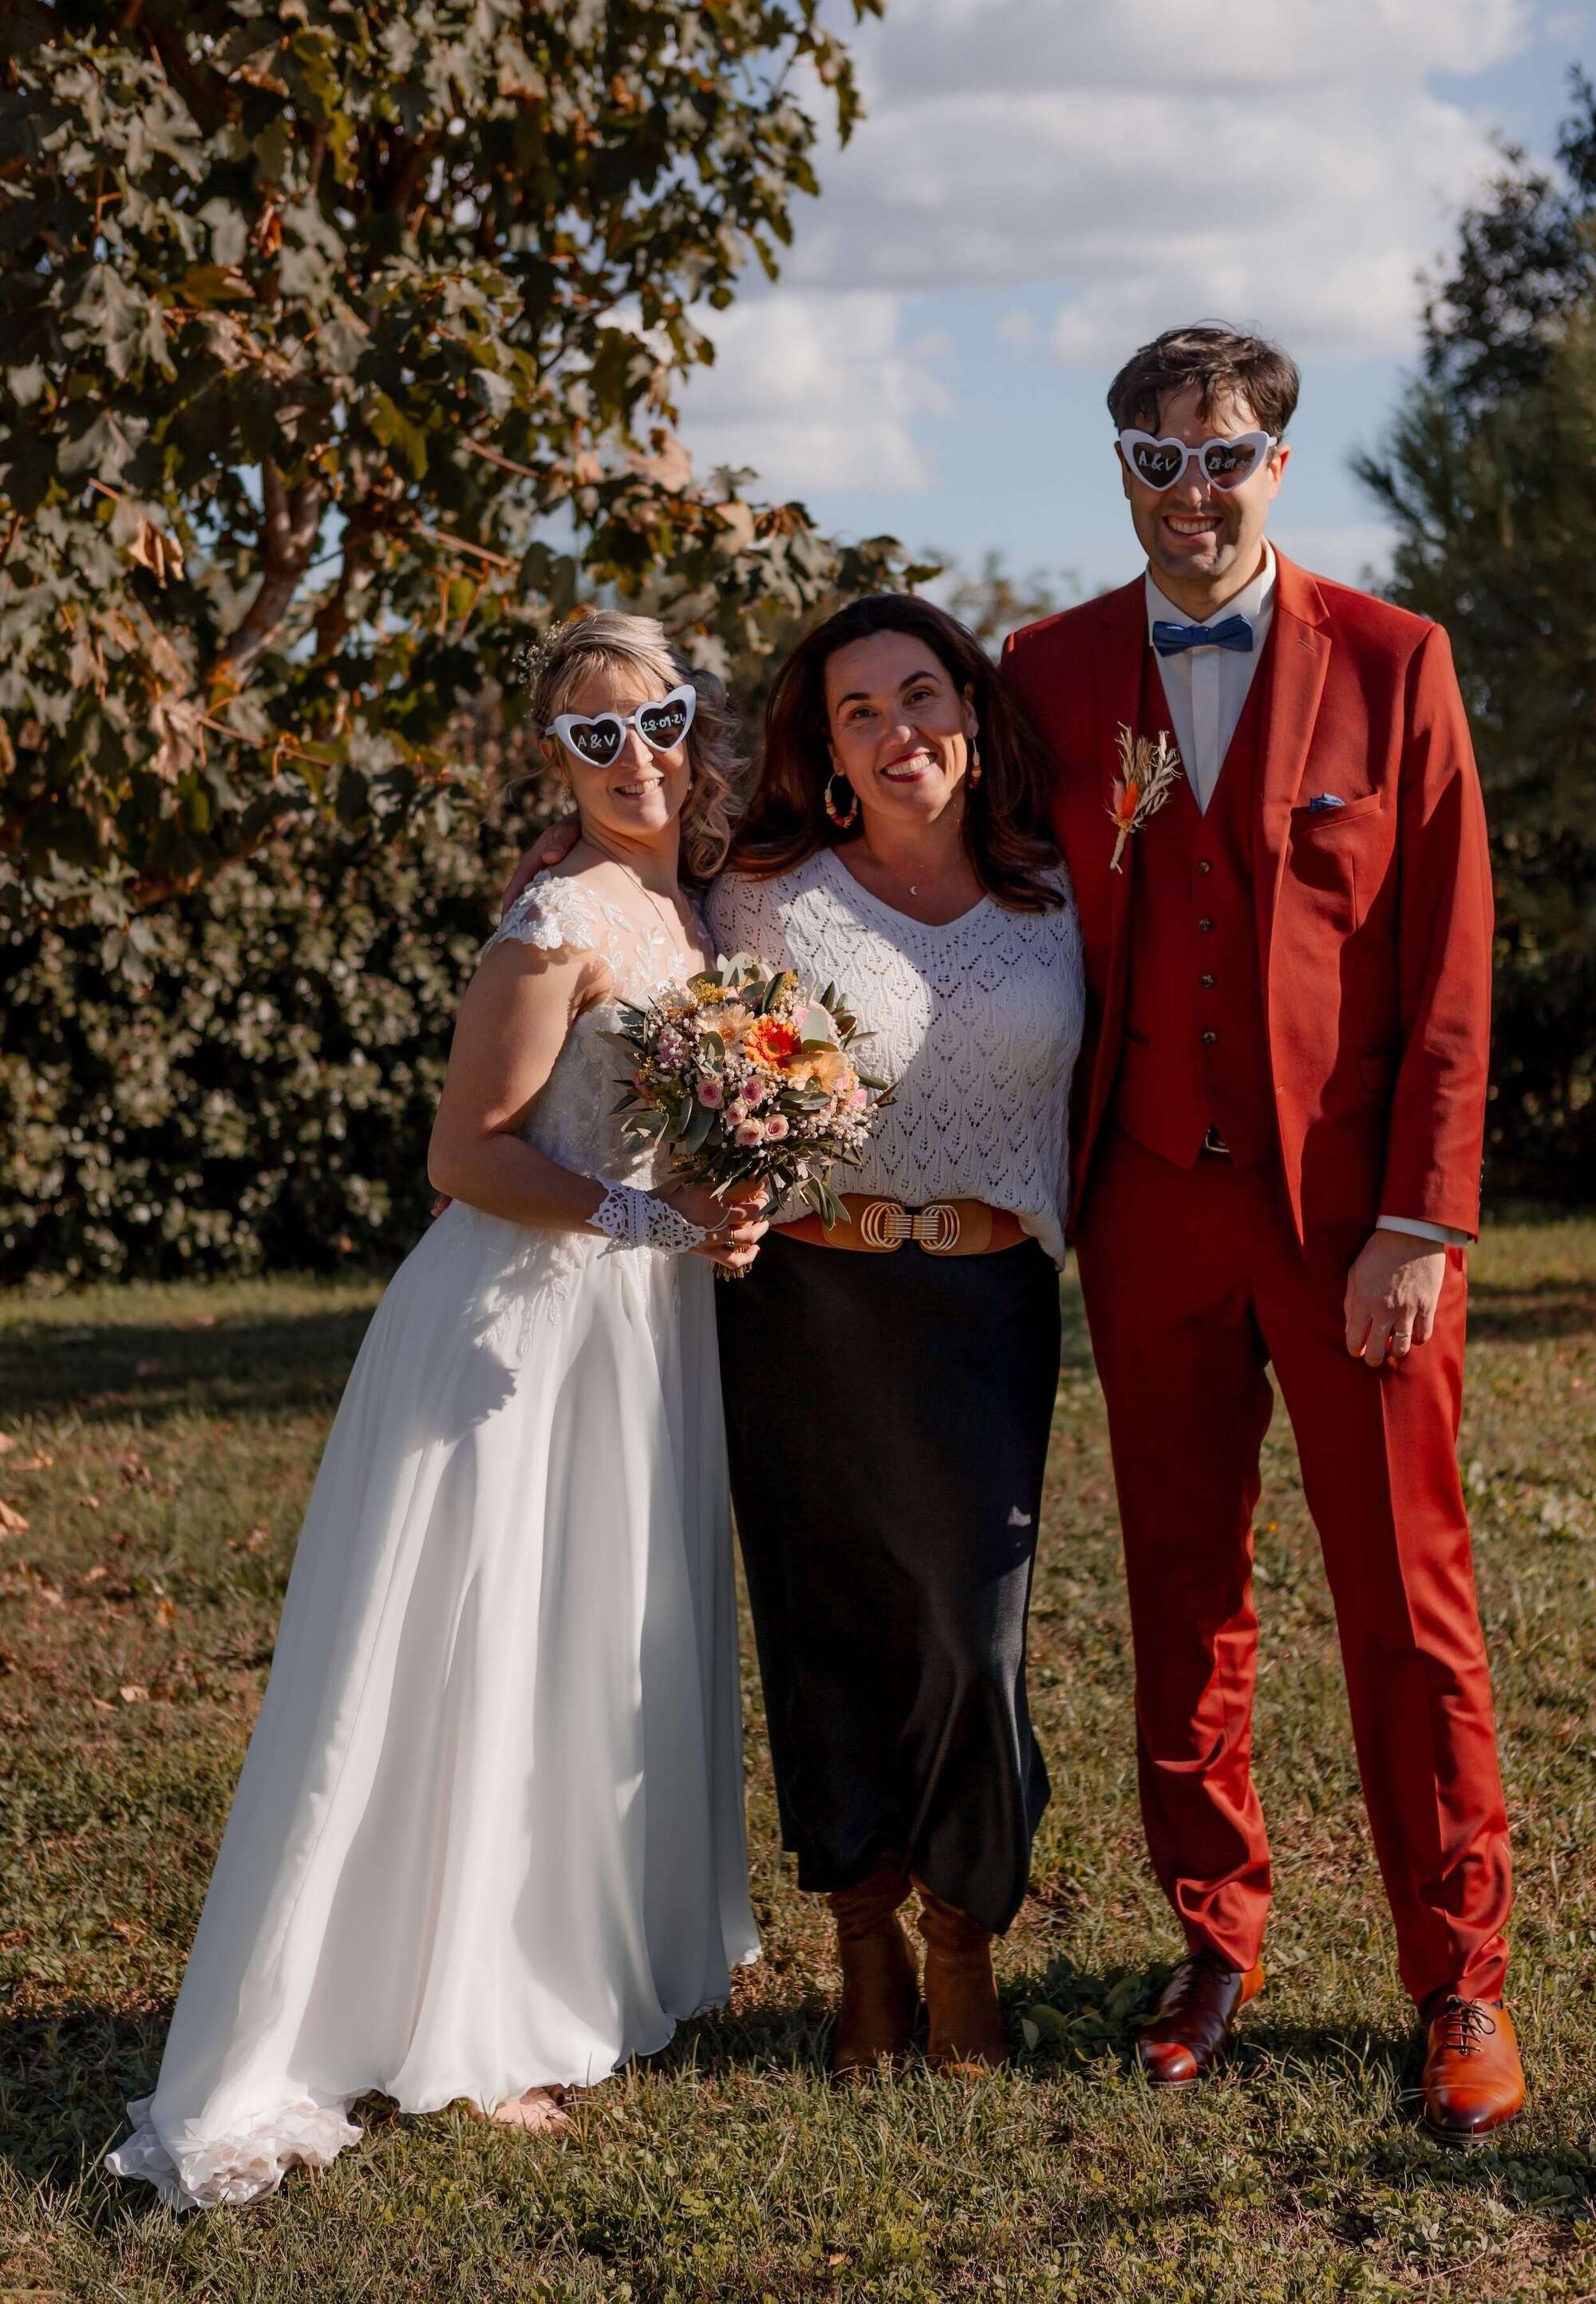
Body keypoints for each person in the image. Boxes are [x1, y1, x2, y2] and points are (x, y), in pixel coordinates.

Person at [108, 611, 766, 2209]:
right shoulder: (555, 917)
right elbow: (466, 1156)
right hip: (516, 1325)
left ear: (695, 723)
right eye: (594, 735)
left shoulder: (686, 902)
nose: (635, 756)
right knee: (491, 1654)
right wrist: (653, 1219)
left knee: (596, 1641)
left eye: (659, 718)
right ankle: (470, 2015)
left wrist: (726, 1199)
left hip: (636, 1328)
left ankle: (582, 1961)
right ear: (554, 759)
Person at [1001, 322, 1523, 2142]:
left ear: (1276, 466)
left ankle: (1457, 1976)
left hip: (1353, 1225)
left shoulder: (1394, 660)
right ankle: (1210, 1938)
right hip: (1148, 1206)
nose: (1193, 490)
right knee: (1178, 1589)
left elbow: (1450, 964)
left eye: (1223, 455)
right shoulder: (1046, 672)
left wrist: (1419, 1220)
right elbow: (971, 894)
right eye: (1158, 459)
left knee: (1409, 1604)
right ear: (1123, 471)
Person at [508, 595, 1083, 2076]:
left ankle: (966, 1936)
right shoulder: (761, 888)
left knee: (973, 1635)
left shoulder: (1061, 886)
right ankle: (867, 1946)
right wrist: (562, 853)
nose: (898, 731)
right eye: (858, 712)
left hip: (988, 1307)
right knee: (823, 1626)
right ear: (824, 750)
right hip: (806, 1306)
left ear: (971, 711)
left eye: (921, 694)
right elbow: (629, 908)